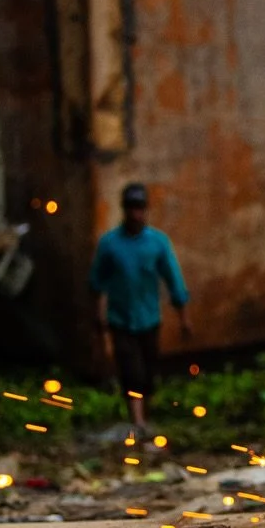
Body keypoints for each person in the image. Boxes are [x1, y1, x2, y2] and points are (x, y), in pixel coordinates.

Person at [90, 183, 191, 439]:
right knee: (131, 370)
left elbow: (173, 280)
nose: (136, 214)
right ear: (124, 211)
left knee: (148, 371)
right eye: (132, 209)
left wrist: (184, 319)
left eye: (140, 208)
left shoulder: (157, 243)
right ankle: (138, 421)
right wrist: (99, 314)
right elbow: (97, 282)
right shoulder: (110, 244)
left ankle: (145, 416)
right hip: (121, 319)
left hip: (149, 318)